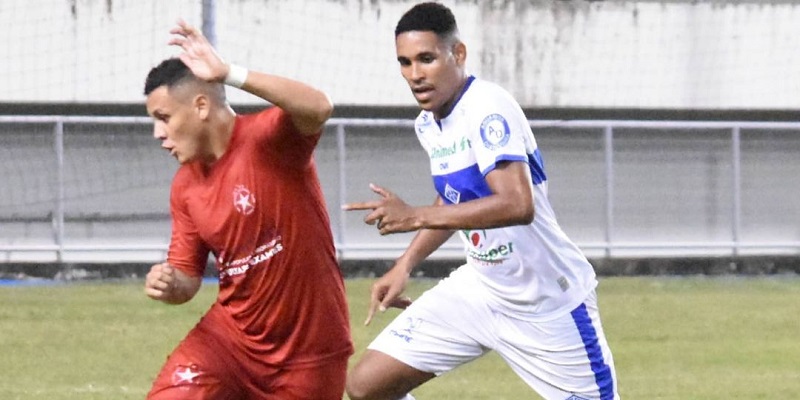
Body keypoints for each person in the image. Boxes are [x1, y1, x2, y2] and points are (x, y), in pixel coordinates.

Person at [343, 3, 619, 400]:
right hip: (480, 290)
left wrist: (415, 216)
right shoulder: (429, 123)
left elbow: (517, 204)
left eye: (426, 58)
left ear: (457, 54)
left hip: (546, 300)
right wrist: (405, 265)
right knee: (367, 386)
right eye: (404, 63)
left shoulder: (488, 107)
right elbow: (454, 199)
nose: (415, 74)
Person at [142, 19, 353, 399]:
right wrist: (171, 285)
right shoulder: (185, 187)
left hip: (309, 353)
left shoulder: (270, 140)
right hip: (228, 344)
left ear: (201, 106)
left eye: (164, 118)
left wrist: (229, 73)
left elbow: (320, 107)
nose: (158, 134)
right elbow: (188, 280)